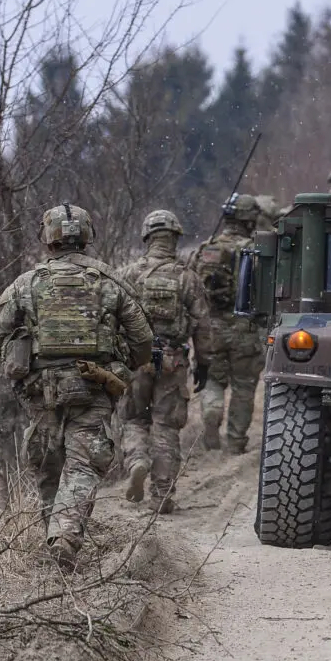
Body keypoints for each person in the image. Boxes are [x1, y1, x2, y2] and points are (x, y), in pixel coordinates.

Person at [0, 204, 153, 568]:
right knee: (83, 464)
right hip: (92, 387)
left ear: (47, 238)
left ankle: (56, 540)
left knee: (48, 464)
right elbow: (142, 342)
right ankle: (64, 536)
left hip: (40, 391)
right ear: (87, 235)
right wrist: (123, 363)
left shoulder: (27, 283)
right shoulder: (108, 282)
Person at [119, 210, 212, 513]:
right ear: (174, 239)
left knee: (134, 420)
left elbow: (111, 319)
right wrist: (204, 364)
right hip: (171, 360)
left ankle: (137, 462)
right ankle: (161, 496)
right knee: (166, 426)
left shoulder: (129, 274)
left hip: (137, 358)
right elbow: (202, 327)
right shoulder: (188, 277)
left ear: (147, 237)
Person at [193, 194, 267, 455]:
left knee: (212, 380)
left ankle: (211, 412)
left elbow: (192, 289)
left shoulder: (205, 248)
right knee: (244, 388)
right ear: (249, 219)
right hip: (244, 330)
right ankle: (235, 441)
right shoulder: (257, 249)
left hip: (210, 330)